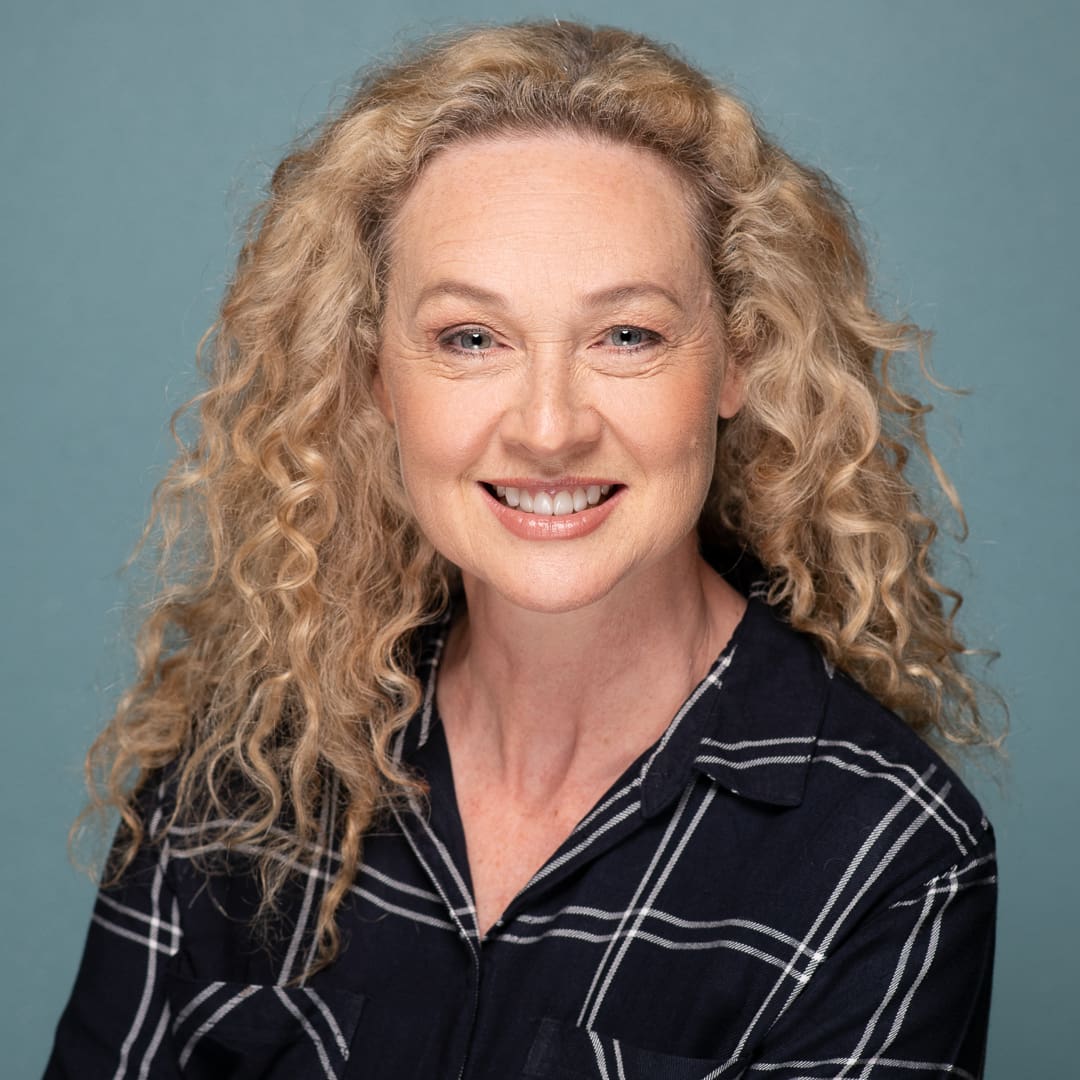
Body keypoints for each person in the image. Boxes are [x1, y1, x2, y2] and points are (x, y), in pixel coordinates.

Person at [46, 20, 999, 1080]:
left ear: (738, 363)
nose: (549, 428)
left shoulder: (887, 850)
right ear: (374, 379)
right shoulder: (240, 774)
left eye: (626, 336)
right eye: (470, 339)